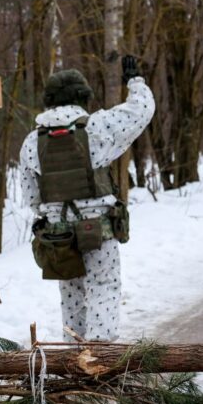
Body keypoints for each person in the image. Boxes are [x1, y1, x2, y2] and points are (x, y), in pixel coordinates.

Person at [19, 57, 155, 342]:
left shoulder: (32, 142)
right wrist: (135, 81)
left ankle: (73, 354)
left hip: (58, 236)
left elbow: (32, 197)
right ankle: (99, 353)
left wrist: (51, 215)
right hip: (98, 230)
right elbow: (141, 110)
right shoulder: (97, 127)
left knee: (71, 296)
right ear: (83, 96)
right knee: (103, 286)